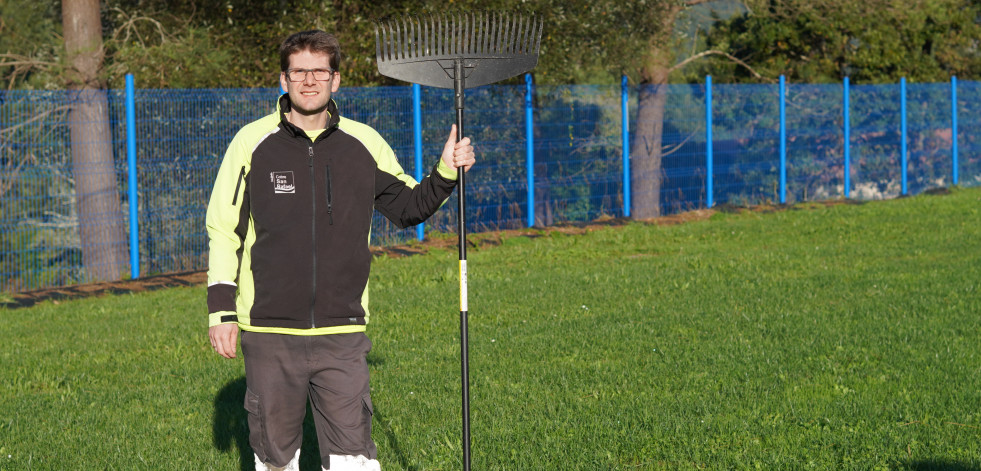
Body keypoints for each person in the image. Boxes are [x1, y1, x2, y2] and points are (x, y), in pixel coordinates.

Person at [206, 29, 475, 471]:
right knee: (275, 459)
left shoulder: (364, 144)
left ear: (336, 80)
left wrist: (446, 169)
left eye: (319, 71)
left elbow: (409, 207)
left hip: (342, 331)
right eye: (299, 72)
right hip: (271, 333)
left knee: (354, 459)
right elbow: (223, 229)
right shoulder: (250, 144)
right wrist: (222, 311)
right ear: (283, 80)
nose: (309, 81)